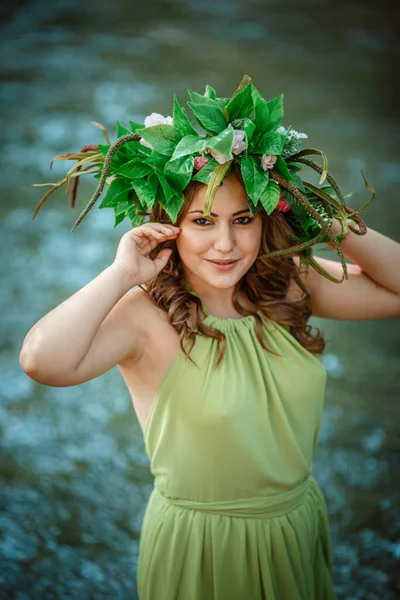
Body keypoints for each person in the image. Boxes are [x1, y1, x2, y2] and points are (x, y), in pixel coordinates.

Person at [20, 76, 400, 599]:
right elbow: (42, 362)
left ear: (266, 217)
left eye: (243, 219)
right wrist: (121, 274)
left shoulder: (286, 283)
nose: (225, 243)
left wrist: (329, 220)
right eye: (202, 220)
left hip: (295, 527)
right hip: (203, 546)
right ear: (167, 226)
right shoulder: (144, 316)